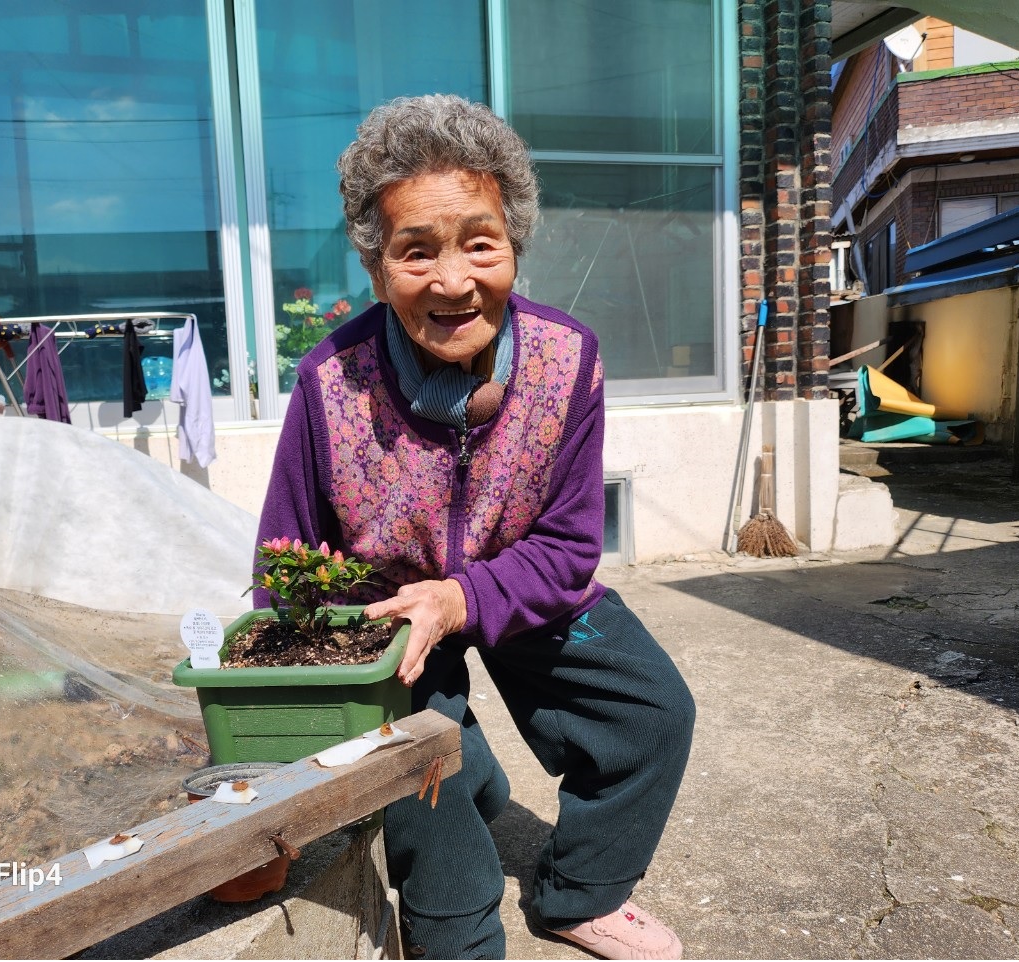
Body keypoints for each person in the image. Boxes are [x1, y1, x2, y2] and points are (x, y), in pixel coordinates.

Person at [255, 94, 695, 961]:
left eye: (479, 243)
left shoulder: (569, 360)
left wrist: (464, 597)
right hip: (390, 625)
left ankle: (581, 895)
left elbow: (569, 546)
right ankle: (459, 920)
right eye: (416, 251)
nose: (454, 282)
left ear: (514, 247)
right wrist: (314, 684)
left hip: (521, 582)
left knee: (653, 712)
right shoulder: (328, 381)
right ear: (377, 266)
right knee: (432, 791)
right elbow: (284, 558)